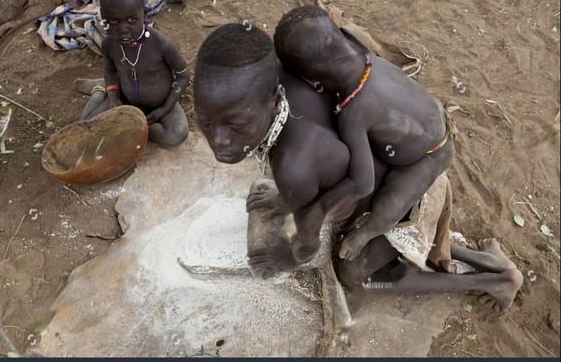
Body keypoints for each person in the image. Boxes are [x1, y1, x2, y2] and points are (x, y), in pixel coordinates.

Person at [193, 23, 522, 312]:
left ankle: (495, 281)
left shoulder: (293, 168)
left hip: (402, 205)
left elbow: (306, 244)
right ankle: (482, 260)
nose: (218, 140)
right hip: (413, 170)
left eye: (235, 124)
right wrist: (284, 200)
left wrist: (285, 256)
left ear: (273, 100)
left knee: (354, 277)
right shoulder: (287, 74)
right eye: (205, 120)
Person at [272, 5, 455, 261]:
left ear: (315, 84)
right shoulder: (369, 58)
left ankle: (366, 234)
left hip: (429, 155)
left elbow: (362, 183)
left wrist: (315, 210)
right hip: (428, 120)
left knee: (388, 207)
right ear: (344, 39)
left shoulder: (354, 114)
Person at [75, 0, 189, 146]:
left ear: (143, 12)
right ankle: (100, 91)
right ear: (103, 16)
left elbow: (183, 75)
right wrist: (113, 96)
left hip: (161, 103)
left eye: (132, 19)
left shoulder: (161, 44)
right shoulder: (109, 44)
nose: (123, 29)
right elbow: (110, 69)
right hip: (124, 100)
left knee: (177, 134)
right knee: (86, 127)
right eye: (113, 21)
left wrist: (165, 108)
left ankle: (130, 125)